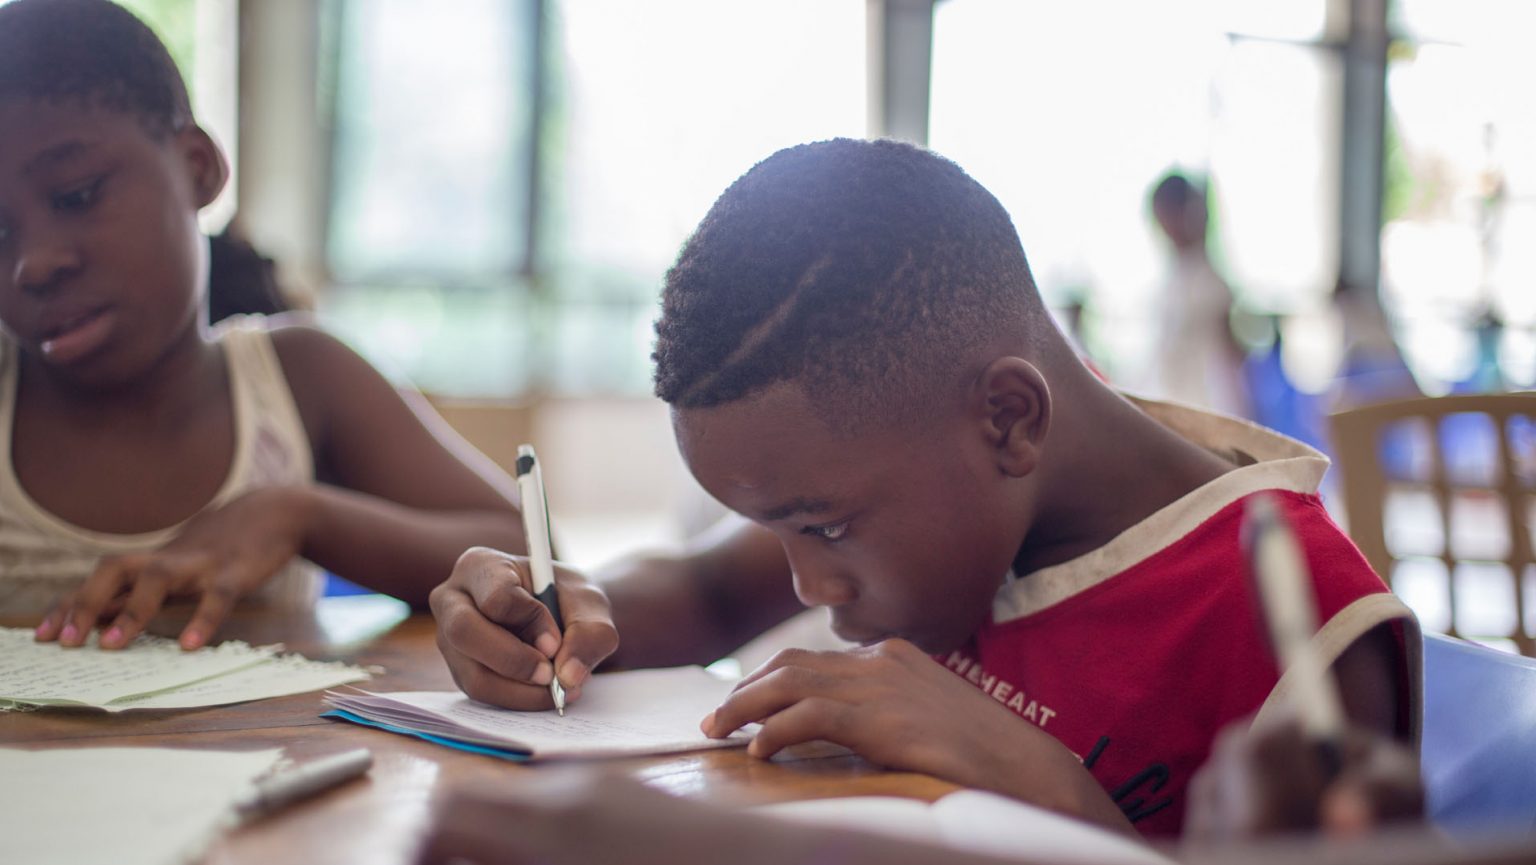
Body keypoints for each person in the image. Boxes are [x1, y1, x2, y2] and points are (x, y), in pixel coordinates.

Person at [430, 139, 1420, 837]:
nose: (808, 586)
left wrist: (1047, 785)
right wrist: (559, 611)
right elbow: (707, 591)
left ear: (1007, 419)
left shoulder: (1303, 625)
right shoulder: (941, 481)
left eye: (822, 525)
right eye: (779, 533)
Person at [0, 0, 524, 650]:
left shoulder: (298, 378)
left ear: (198, 169)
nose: (32, 264)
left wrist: (299, 516)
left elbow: (534, 555)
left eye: (76, 195)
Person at [1148, 171, 1249, 418]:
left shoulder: (1209, 281)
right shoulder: (1173, 277)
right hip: (1175, 407)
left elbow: (1231, 360)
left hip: (1207, 410)